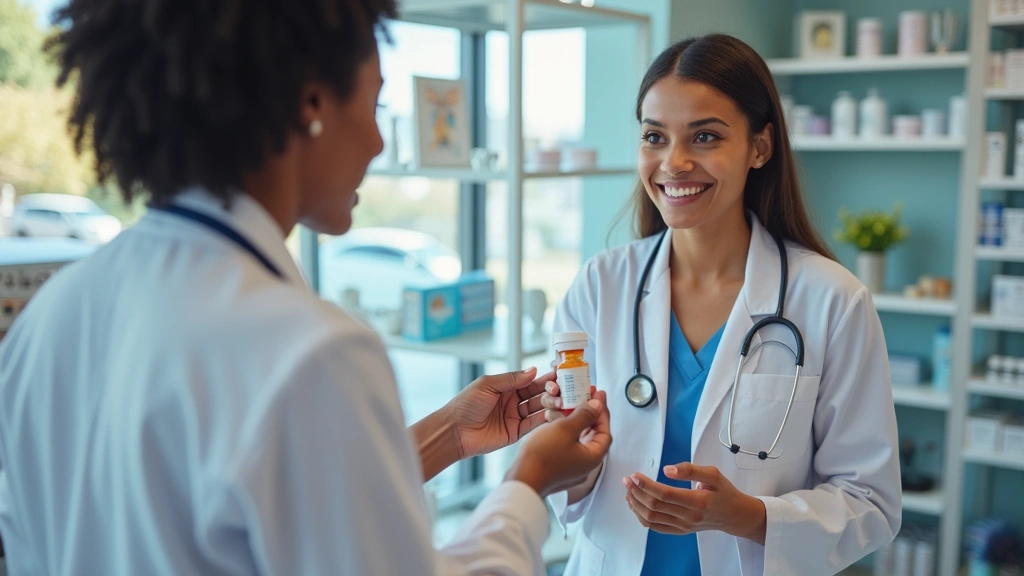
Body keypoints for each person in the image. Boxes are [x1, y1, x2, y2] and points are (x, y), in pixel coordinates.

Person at [0, 1, 613, 574]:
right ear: (311, 102)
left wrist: (450, 433)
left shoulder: (48, 316)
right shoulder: (310, 351)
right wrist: (527, 485)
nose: (376, 144)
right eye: (373, 108)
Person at [541, 34, 901, 576]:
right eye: (654, 136)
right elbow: (566, 483)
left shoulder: (833, 300)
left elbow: (869, 502)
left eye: (705, 136)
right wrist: (563, 443)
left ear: (760, 147)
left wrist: (750, 516)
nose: (674, 162)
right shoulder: (600, 285)